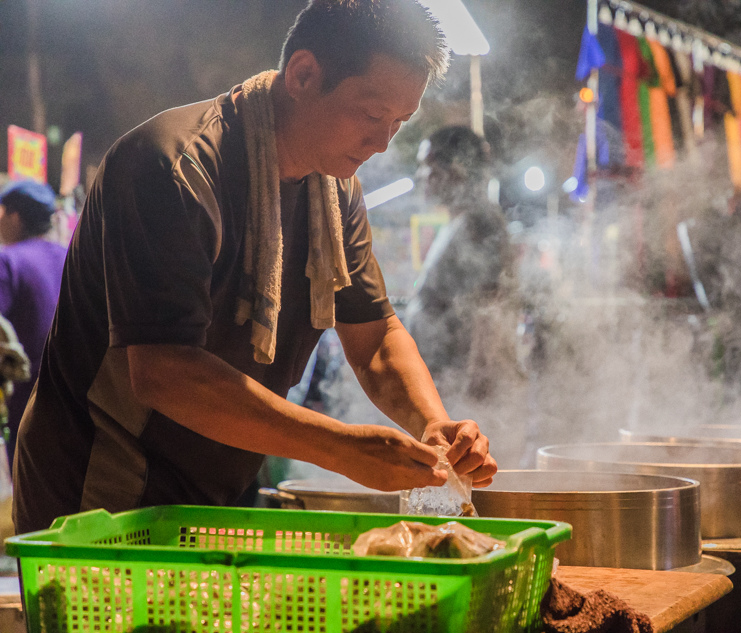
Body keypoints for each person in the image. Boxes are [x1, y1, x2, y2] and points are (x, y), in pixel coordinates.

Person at [13, 0, 497, 535]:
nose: (382, 143)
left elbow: (376, 338)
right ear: (304, 74)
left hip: (217, 486)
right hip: (100, 486)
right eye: (371, 114)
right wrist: (340, 447)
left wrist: (435, 426)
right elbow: (163, 371)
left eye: (400, 123)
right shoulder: (176, 168)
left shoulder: (335, 191)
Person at [404, 126, 517, 399]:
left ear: (456, 169)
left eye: (428, 166)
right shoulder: (457, 222)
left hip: (460, 389)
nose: (421, 176)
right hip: (444, 383)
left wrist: (478, 382)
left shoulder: (480, 222)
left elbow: (489, 305)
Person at [0, 180, 68, 469]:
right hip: (70, 393)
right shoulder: (68, 254)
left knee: (28, 489)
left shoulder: (8, 260)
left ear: (15, 216)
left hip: (27, 400)